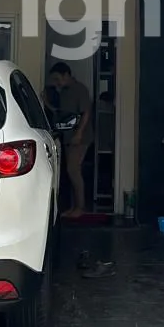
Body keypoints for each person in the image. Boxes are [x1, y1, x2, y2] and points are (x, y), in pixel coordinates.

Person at [47, 61, 92, 218]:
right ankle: (74, 207)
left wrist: (79, 133)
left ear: (66, 75)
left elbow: (86, 112)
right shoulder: (64, 92)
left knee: (73, 170)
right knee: (70, 172)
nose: (56, 82)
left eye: (58, 78)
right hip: (67, 136)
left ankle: (80, 207)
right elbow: (61, 113)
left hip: (79, 137)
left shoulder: (80, 89)